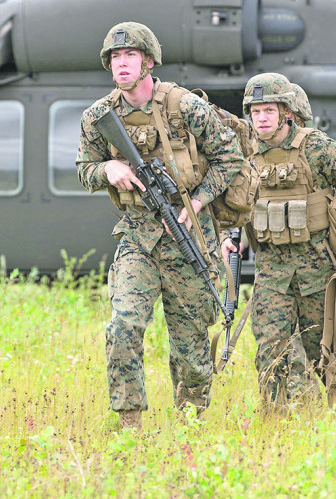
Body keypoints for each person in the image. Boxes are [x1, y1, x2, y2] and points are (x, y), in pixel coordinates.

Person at [76, 21, 244, 430]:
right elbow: (84, 169)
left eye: (130, 56)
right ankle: (130, 423)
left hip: (189, 236)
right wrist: (108, 169)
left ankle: (191, 423)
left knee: (191, 348)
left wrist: (200, 200)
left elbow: (231, 158)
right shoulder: (99, 116)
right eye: (115, 58)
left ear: (148, 62)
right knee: (124, 324)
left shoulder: (186, 107)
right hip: (138, 237)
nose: (121, 64)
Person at [223, 72, 336, 407]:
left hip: (318, 273)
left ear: (286, 112)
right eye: (254, 111)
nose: (261, 118)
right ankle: (278, 424)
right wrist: (226, 236)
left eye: (268, 110)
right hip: (271, 275)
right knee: (270, 349)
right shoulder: (245, 153)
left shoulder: (318, 148)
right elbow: (230, 201)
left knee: (327, 352)